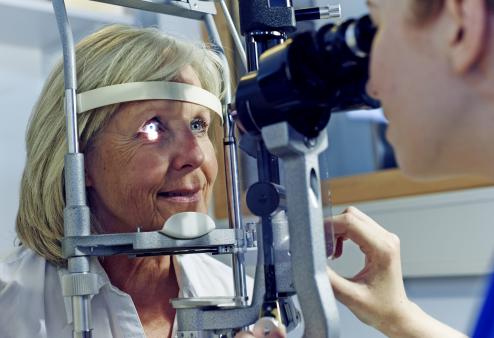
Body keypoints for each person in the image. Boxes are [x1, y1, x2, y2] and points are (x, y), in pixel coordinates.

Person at [0, 24, 279, 338]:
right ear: (78, 159)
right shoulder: (11, 308)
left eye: (199, 125)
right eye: (153, 127)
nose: (195, 155)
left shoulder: (238, 297)